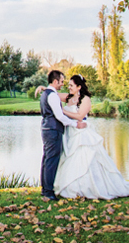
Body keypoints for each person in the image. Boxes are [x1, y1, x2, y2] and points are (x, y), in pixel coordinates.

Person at [39, 75, 129, 200]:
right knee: (68, 158)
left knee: (85, 158)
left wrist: (62, 112)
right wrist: (45, 88)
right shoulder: (69, 97)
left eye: (71, 85)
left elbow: (79, 116)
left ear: (79, 87)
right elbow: (54, 94)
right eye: (68, 85)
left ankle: (87, 187)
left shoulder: (85, 99)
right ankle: (65, 187)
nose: (68, 87)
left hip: (81, 132)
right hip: (71, 133)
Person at [39, 70, 86, 201]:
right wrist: (75, 124)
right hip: (53, 130)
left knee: (47, 159)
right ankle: (48, 191)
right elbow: (59, 116)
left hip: (47, 129)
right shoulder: (52, 96)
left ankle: (45, 189)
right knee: (51, 160)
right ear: (55, 81)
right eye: (61, 82)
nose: (62, 84)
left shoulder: (46, 93)